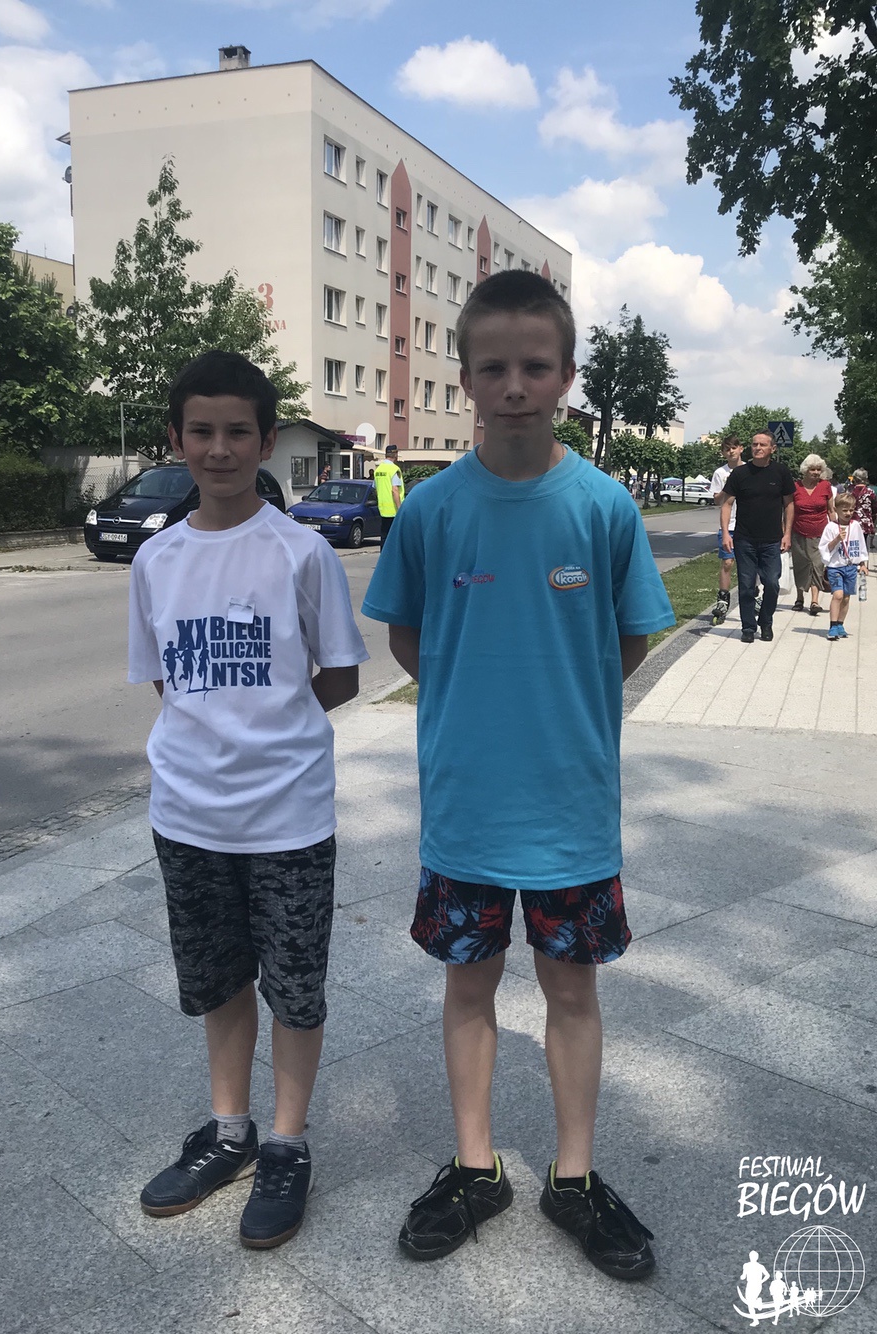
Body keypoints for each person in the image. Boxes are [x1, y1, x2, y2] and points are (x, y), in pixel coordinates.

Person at [362, 271, 674, 1278]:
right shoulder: (431, 509)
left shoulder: (603, 507)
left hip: (570, 805)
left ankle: (573, 1174)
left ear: (566, 376)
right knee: (469, 985)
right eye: (492, 367)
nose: (513, 386)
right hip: (466, 803)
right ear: (464, 377)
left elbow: (627, 642)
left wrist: (558, 707)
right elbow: (409, 637)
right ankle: (475, 1163)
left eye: (535, 366)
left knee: (571, 991)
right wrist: (478, 702)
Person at [128, 350, 368, 1249]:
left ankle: (287, 1143)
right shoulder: (155, 559)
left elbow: (338, 675)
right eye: (202, 432)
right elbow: (168, 683)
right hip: (187, 815)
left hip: (288, 815)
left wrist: (269, 730)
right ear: (177, 438)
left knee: (295, 988)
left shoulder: (302, 553)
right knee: (217, 981)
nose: (219, 449)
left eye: (238, 432)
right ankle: (229, 1132)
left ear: (267, 441)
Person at [720, 432, 795, 643]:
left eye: (762, 444)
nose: (758, 448)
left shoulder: (781, 472)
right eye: (754, 444)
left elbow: (789, 504)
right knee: (746, 585)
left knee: (772, 583)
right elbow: (727, 504)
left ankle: (766, 622)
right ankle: (748, 627)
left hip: (772, 539)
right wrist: (725, 533)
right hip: (744, 539)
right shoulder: (740, 473)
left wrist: (787, 533)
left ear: (773, 448)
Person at [818, 492, 868, 641]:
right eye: (845, 510)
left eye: (851, 510)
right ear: (836, 509)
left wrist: (863, 563)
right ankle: (833, 625)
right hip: (836, 567)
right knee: (838, 595)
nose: (848, 513)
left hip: (851, 567)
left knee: (846, 597)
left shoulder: (856, 526)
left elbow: (861, 545)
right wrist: (837, 539)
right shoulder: (831, 527)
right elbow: (825, 547)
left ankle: (840, 623)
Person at [790, 454, 836, 614]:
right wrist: (785, 533)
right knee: (801, 565)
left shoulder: (825, 486)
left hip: (820, 533)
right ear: (805, 470)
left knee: (817, 565)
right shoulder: (795, 486)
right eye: (812, 469)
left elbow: (831, 510)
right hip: (798, 533)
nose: (816, 472)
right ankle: (799, 597)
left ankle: (814, 601)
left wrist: (837, 529)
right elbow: (789, 511)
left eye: (818, 469)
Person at [710, 435, 745, 625]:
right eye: (727, 449)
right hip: (729, 525)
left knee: (749, 564)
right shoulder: (720, 473)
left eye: (734, 448)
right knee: (727, 562)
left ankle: (754, 595)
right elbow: (717, 500)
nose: (731, 452)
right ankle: (723, 599)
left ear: (741, 449)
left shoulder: (749, 469)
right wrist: (728, 485)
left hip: (747, 524)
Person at [373, 443, 404, 548]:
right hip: (394, 510)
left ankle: (383, 556)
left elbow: (376, 489)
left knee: (384, 537)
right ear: (395, 454)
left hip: (382, 509)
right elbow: (395, 490)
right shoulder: (394, 469)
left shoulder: (378, 470)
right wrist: (400, 509)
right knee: (395, 538)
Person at [849, 468, 875, 570]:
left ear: (855, 478)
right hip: (866, 522)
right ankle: (863, 564)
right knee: (864, 542)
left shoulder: (850, 491)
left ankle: (853, 562)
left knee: (853, 542)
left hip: (852, 520)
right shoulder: (870, 492)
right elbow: (874, 508)